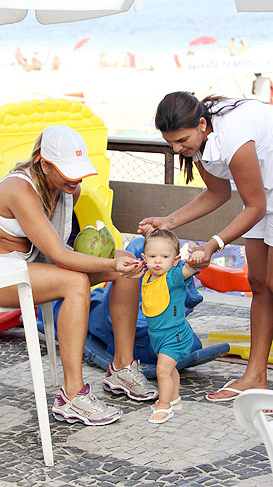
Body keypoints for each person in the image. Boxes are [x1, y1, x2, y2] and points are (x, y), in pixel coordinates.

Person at [0, 125, 158, 425]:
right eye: (68, 171)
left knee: (127, 263)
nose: (76, 178)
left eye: (78, 170)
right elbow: (60, 255)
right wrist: (107, 266)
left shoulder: (69, 190)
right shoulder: (18, 189)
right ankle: (72, 395)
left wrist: (114, 264)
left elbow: (57, 248)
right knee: (76, 282)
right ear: (44, 163)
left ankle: (121, 368)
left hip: (30, 268)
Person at [138, 91, 273, 402]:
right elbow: (217, 192)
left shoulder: (232, 135)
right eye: (170, 143)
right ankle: (256, 377)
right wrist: (167, 222)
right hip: (263, 195)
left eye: (181, 140)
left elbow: (254, 205)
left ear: (201, 123)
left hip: (263, 196)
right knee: (258, 283)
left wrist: (215, 244)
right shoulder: (198, 139)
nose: (177, 149)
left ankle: (257, 376)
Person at [141, 229, 204, 423]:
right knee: (170, 369)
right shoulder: (147, 276)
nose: (158, 261)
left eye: (165, 256)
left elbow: (188, 270)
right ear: (144, 258)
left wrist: (194, 261)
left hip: (175, 335)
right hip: (157, 335)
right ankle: (175, 398)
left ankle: (164, 405)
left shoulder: (173, 276)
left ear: (175, 260)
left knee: (162, 370)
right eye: (153, 256)